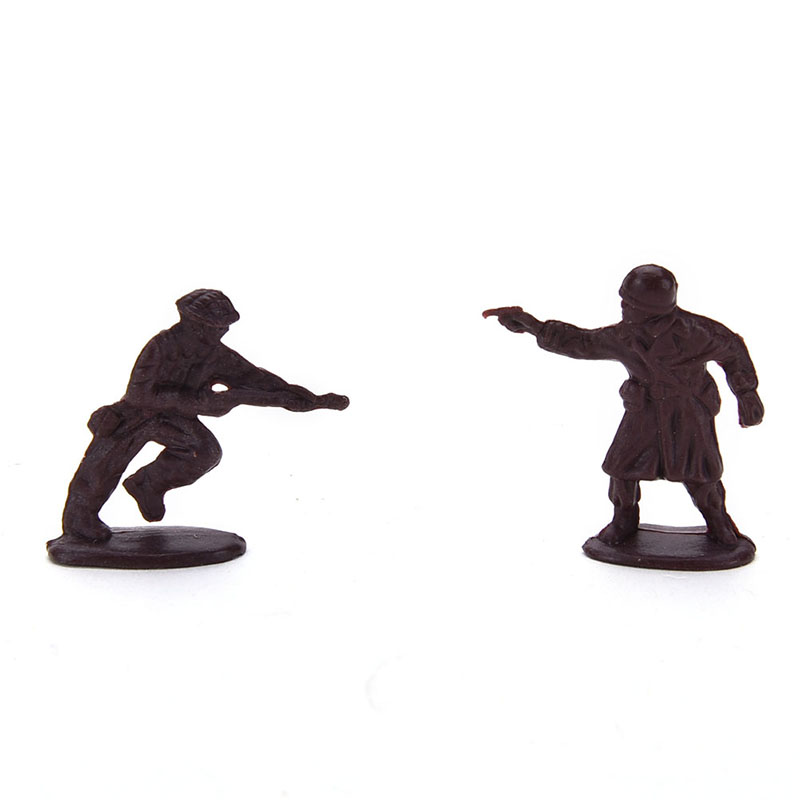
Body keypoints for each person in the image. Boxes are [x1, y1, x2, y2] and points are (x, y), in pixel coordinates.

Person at [484, 264, 763, 547]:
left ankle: (719, 524)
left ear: (653, 309)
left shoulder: (696, 332)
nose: (623, 307)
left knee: (701, 475)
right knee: (621, 469)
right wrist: (533, 326)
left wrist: (746, 393)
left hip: (687, 413)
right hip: (645, 411)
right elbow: (583, 342)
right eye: (624, 300)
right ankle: (624, 521)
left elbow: (733, 350)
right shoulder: (623, 336)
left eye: (630, 303)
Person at [62, 289, 349, 541]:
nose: (221, 332)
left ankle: (148, 484)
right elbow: (140, 395)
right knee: (102, 464)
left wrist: (302, 397)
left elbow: (256, 379)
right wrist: (202, 402)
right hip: (135, 414)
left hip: (174, 419)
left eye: (224, 327)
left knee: (204, 452)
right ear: (191, 323)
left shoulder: (217, 355)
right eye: (215, 326)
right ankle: (80, 522)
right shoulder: (161, 346)